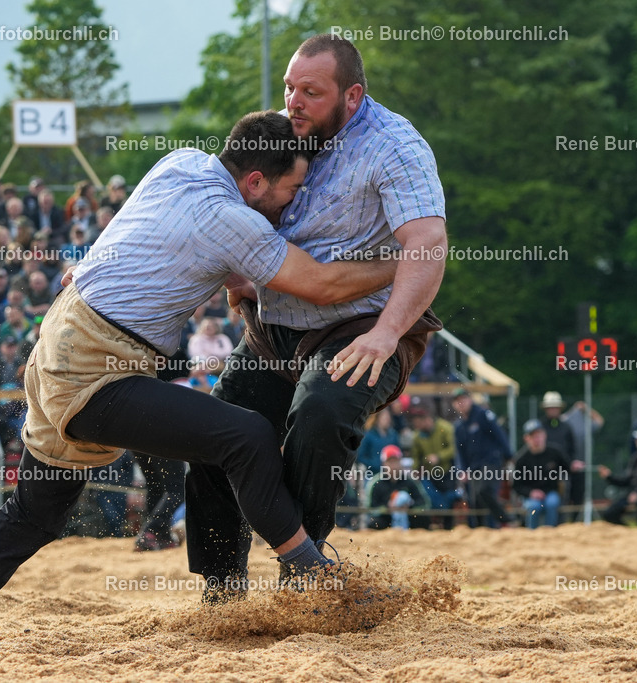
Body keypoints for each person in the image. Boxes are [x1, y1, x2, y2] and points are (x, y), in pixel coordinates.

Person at [0, 110, 399, 653]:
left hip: (61, 340)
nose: (291, 202)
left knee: (36, 512)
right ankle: (306, 567)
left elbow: (155, 240)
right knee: (246, 435)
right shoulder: (236, 219)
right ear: (255, 181)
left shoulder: (180, 163)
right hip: (96, 366)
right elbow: (321, 284)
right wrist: (406, 261)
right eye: (290, 189)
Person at [185, 35, 446, 597]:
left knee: (320, 413)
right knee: (214, 432)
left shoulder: (395, 146)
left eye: (311, 91)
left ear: (351, 96)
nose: (293, 102)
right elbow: (219, 196)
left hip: (360, 327)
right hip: (275, 328)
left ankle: (302, 579)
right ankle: (221, 589)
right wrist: (235, 271)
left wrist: (386, 334)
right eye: (288, 87)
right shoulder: (276, 131)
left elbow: (427, 243)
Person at [452, 389, 513, 528]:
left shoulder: (482, 415)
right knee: (475, 501)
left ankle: (504, 518)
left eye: (463, 399)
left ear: (470, 399)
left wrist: (509, 455)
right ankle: (480, 529)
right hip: (473, 467)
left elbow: (499, 434)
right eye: (457, 401)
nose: (461, 403)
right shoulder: (459, 426)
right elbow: (460, 451)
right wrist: (462, 470)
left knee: (484, 491)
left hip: (491, 462)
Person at [408, 398, 461, 528]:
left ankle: (448, 526)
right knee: (433, 500)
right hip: (430, 474)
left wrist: (438, 457)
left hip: (448, 471)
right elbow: (415, 456)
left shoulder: (445, 428)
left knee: (448, 499)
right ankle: (437, 523)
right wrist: (415, 470)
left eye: (418, 422)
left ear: (427, 419)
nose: (417, 426)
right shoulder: (417, 436)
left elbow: (454, 449)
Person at [513, 419, 569, 529]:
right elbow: (517, 486)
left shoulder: (555, 452)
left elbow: (568, 468)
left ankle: (550, 531)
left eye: (539, 435)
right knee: (534, 506)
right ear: (526, 439)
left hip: (551, 492)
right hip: (531, 496)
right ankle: (532, 533)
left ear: (544, 435)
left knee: (552, 503)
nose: (537, 439)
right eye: (533, 436)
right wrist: (531, 492)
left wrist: (573, 466)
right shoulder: (521, 460)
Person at [365, 445, 430, 530]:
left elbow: (424, 503)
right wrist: (388, 508)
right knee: (374, 523)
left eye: (396, 461)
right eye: (390, 462)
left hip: (409, 518)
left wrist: (409, 507)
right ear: (384, 464)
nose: (393, 466)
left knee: (423, 520)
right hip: (386, 519)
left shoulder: (410, 481)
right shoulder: (376, 483)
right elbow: (370, 508)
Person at [598, 425, 637, 526]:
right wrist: (609, 477)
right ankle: (629, 534)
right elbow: (627, 480)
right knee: (610, 514)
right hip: (634, 495)